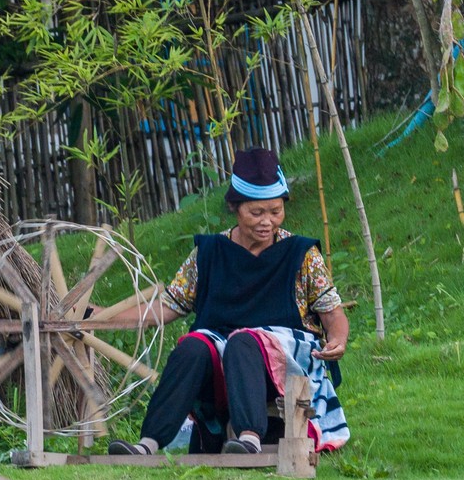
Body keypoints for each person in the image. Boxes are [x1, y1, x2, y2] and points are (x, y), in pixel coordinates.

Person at [88, 148, 352, 455]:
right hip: (226, 359)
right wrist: (103, 317)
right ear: (234, 208)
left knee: (244, 341)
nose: (268, 222)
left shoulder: (302, 253)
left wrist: (338, 340)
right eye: (257, 213)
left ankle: (249, 439)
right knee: (192, 346)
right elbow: (165, 307)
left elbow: (331, 312)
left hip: (285, 357)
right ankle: (148, 443)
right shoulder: (209, 253)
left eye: (276, 211)